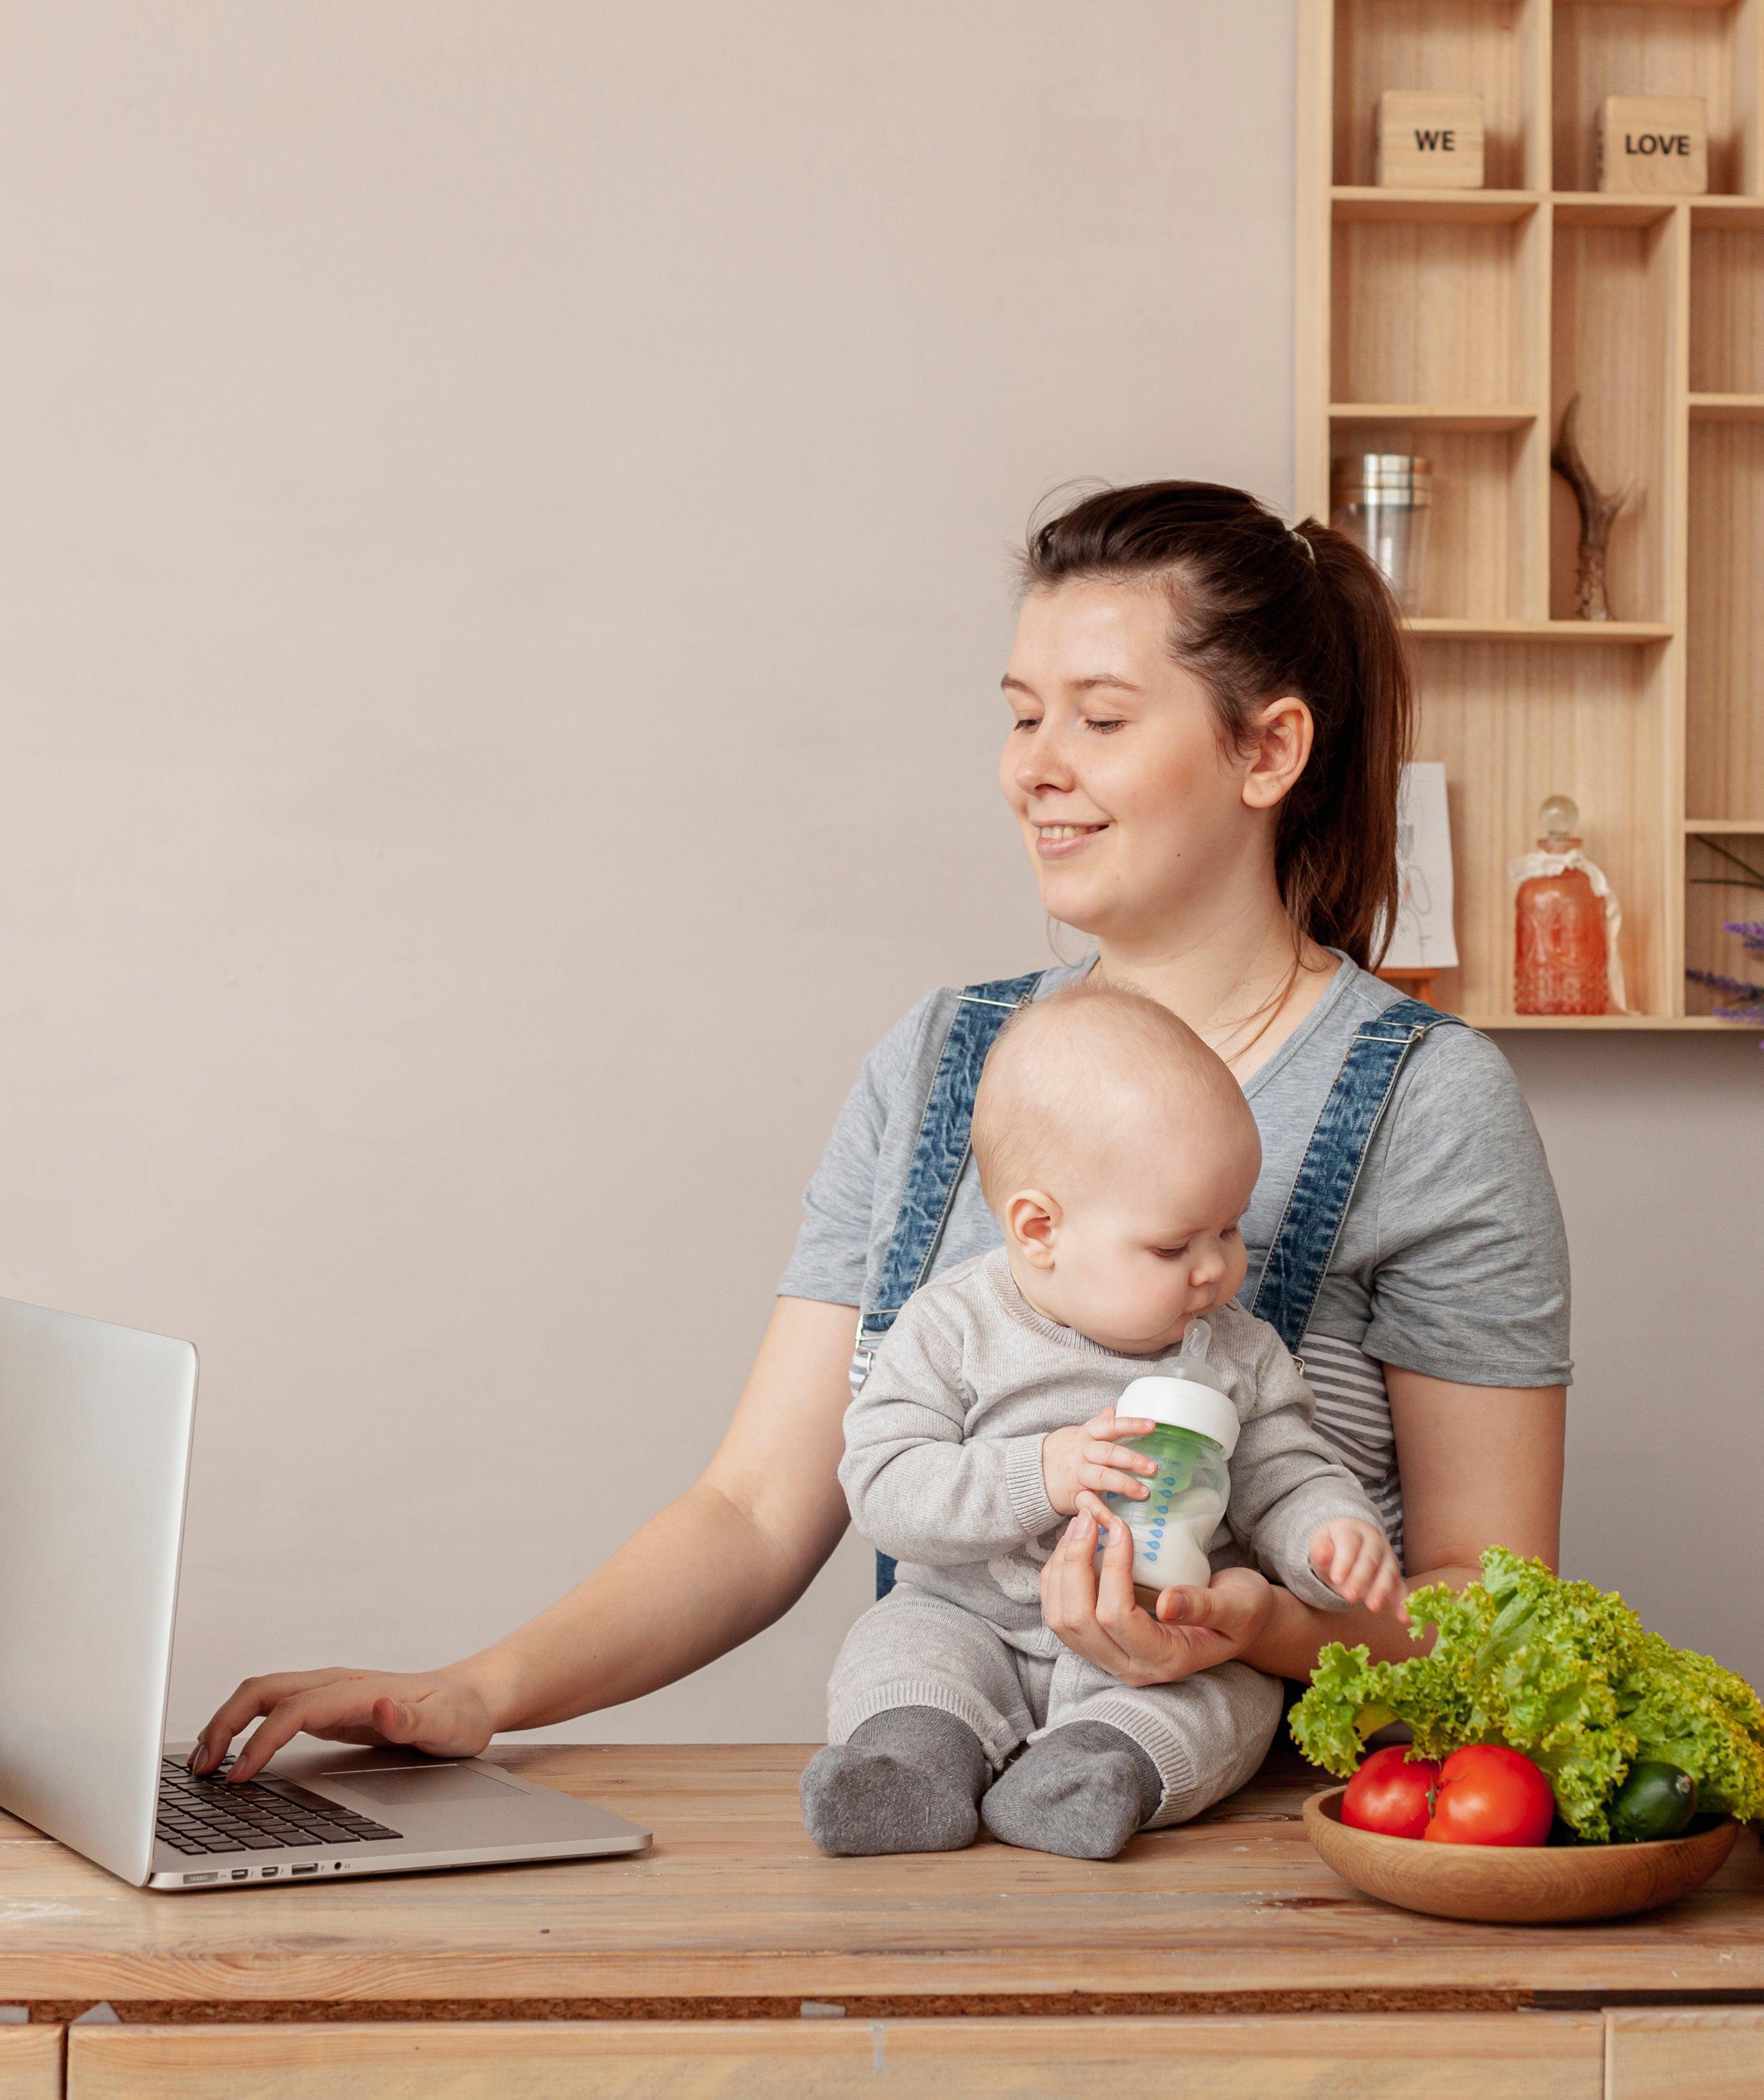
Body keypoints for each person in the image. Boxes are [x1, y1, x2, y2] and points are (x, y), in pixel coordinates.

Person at [191, 479, 1569, 1786]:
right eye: (1023, 716)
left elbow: (1492, 1620)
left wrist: (1254, 1629)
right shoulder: (939, 1064)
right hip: (943, 1839)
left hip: (1267, 1861)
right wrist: (475, 1693)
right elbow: (754, 1513)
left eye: (1099, 720)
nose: (1038, 769)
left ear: (1267, 748)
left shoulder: (1425, 1102)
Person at [804, 980, 1398, 1861]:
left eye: (1229, 1230)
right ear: (1039, 1227)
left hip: (1169, 1639)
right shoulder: (951, 1325)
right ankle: (911, 1766)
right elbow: (883, 1487)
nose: (1214, 1272)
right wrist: (1041, 1472)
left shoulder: (1239, 1352)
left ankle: (1095, 1770)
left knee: (1230, 1702)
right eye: (1172, 1246)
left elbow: (1285, 1472)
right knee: (898, 1648)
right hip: (974, 1618)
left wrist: (1328, 1535)